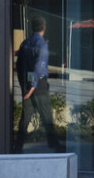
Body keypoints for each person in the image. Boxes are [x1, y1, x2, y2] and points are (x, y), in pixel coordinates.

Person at [12, 14, 65, 152]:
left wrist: (24, 85)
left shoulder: (25, 43)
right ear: (44, 28)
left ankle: (18, 146)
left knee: (25, 117)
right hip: (39, 84)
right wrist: (33, 86)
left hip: (27, 84)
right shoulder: (41, 44)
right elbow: (39, 66)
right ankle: (54, 145)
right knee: (46, 115)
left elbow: (19, 65)